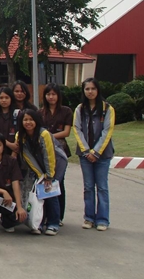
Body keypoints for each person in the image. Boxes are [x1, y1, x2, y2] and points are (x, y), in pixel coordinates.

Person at [73, 78, 115, 231]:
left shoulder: (107, 108)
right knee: (88, 187)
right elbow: (77, 129)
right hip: (85, 155)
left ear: (98, 90)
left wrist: (96, 152)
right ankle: (89, 218)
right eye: (87, 89)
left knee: (102, 187)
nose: (90, 92)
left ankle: (103, 220)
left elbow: (107, 131)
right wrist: (86, 151)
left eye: (93, 88)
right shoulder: (79, 109)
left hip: (102, 155)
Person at [17, 109, 68, 235]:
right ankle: (38, 223)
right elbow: (27, 156)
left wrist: (49, 176)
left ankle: (53, 223)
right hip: (38, 165)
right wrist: (40, 175)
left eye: (31, 119)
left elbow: (49, 155)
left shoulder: (44, 134)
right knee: (39, 192)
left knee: (49, 192)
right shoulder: (20, 136)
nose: (28, 122)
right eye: (25, 120)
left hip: (57, 162)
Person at [40, 83, 73, 223]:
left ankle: (58, 216)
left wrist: (48, 137)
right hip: (45, 152)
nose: (51, 97)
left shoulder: (66, 111)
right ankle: (45, 215)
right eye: (48, 94)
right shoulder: (41, 112)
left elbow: (66, 132)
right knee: (46, 182)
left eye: (53, 94)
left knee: (59, 182)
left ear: (58, 96)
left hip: (60, 151)